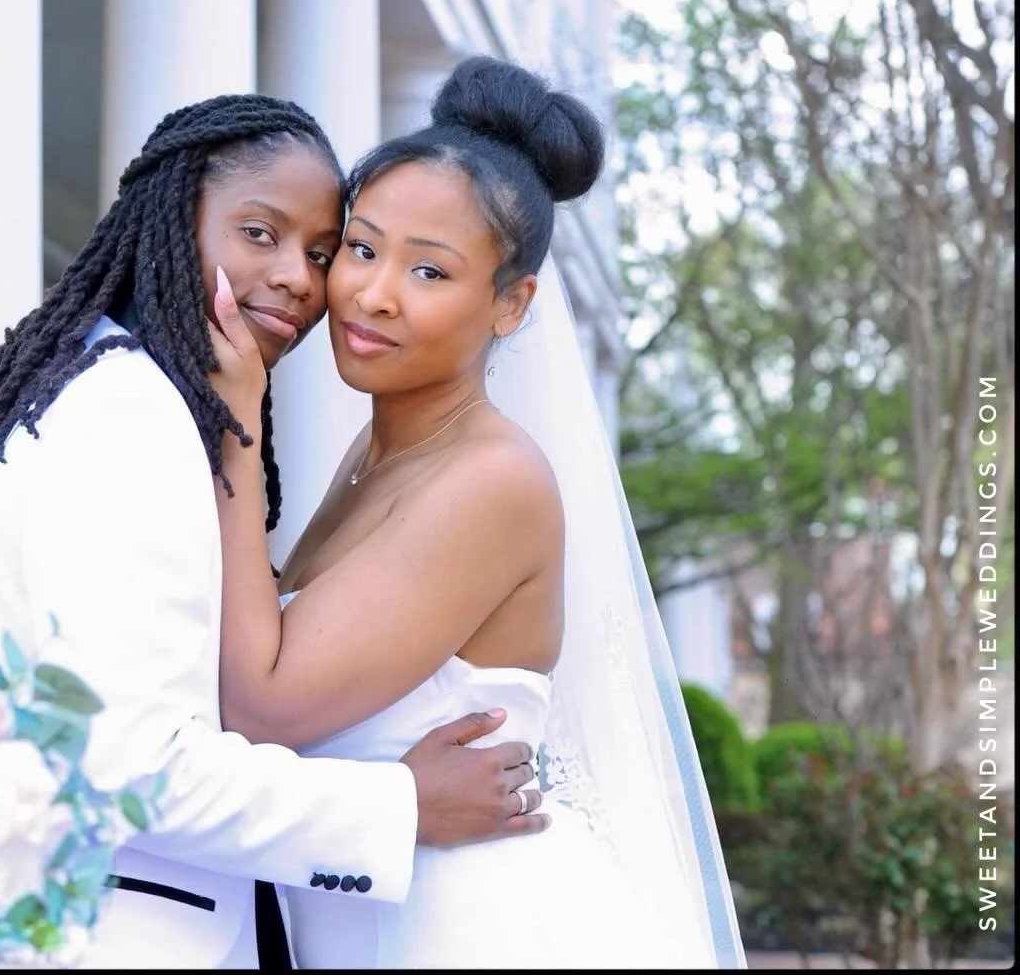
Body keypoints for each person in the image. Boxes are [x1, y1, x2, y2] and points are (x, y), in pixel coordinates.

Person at [0, 92, 550, 970]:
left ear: (508, 302)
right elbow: (143, 756)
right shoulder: (134, 410)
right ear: (171, 215)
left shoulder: (139, 395)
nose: (310, 281)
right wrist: (398, 805)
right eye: (260, 234)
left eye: (320, 250)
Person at [205, 58, 747, 968]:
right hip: (369, 917)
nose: (373, 293)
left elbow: (260, 705)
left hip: (463, 930)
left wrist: (232, 424)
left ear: (510, 304)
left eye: (429, 270)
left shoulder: (494, 481)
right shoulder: (379, 456)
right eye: (363, 249)